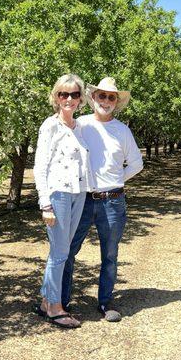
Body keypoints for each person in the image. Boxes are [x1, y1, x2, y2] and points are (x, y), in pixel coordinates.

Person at [61, 77, 143, 322]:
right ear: (93, 97)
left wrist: (116, 181)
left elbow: (137, 164)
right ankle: (60, 302)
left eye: (111, 97)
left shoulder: (123, 130)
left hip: (113, 202)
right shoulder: (81, 124)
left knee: (109, 255)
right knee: (67, 251)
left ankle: (105, 302)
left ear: (116, 102)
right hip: (82, 201)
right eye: (102, 95)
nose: (106, 100)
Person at [33, 73, 94, 328]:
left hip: (79, 193)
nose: (68, 99)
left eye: (74, 94)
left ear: (81, 99)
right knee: (59, 253)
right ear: (56, 97)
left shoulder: (80, 127)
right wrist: (45, 204)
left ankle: (47, 301)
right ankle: (55, 308)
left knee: (62, 251)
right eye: (63, 94)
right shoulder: (50, 125)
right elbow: (40, 166)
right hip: (58, 194)